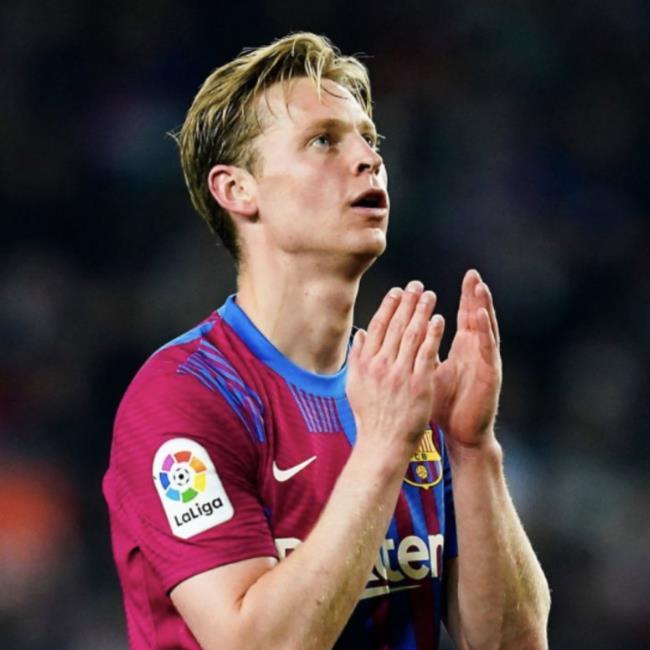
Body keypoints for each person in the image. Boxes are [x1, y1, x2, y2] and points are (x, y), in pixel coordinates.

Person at [104, 32, 550, 649]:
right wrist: (382, 449)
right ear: (237, 190)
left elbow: (513, 644)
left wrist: (473, 449)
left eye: (370, 139)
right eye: (323, 141)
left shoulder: (399, 387)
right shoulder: (183, 397)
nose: (368, 159)